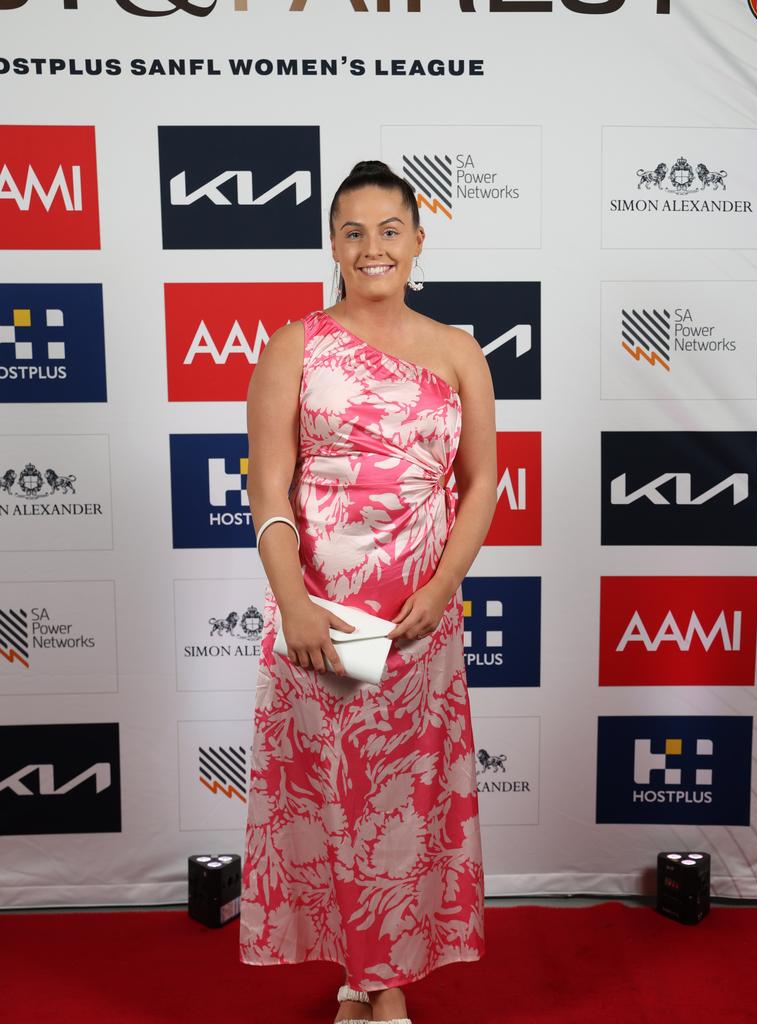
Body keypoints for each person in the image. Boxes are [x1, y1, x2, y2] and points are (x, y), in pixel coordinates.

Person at [239, 159, 497, 1024]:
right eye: (353, 231)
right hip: (318, 621)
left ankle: (384, 984)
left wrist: (445, 581)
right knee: (327, 802)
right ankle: (356, 977)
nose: (372, 247)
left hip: (420, 623)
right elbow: (267, 490)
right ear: (334, 245)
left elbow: (482, 480)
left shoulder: (459, 351)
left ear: (418, 242)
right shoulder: (295, 346)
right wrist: (297, 605)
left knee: (400, 807)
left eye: (390, 230)